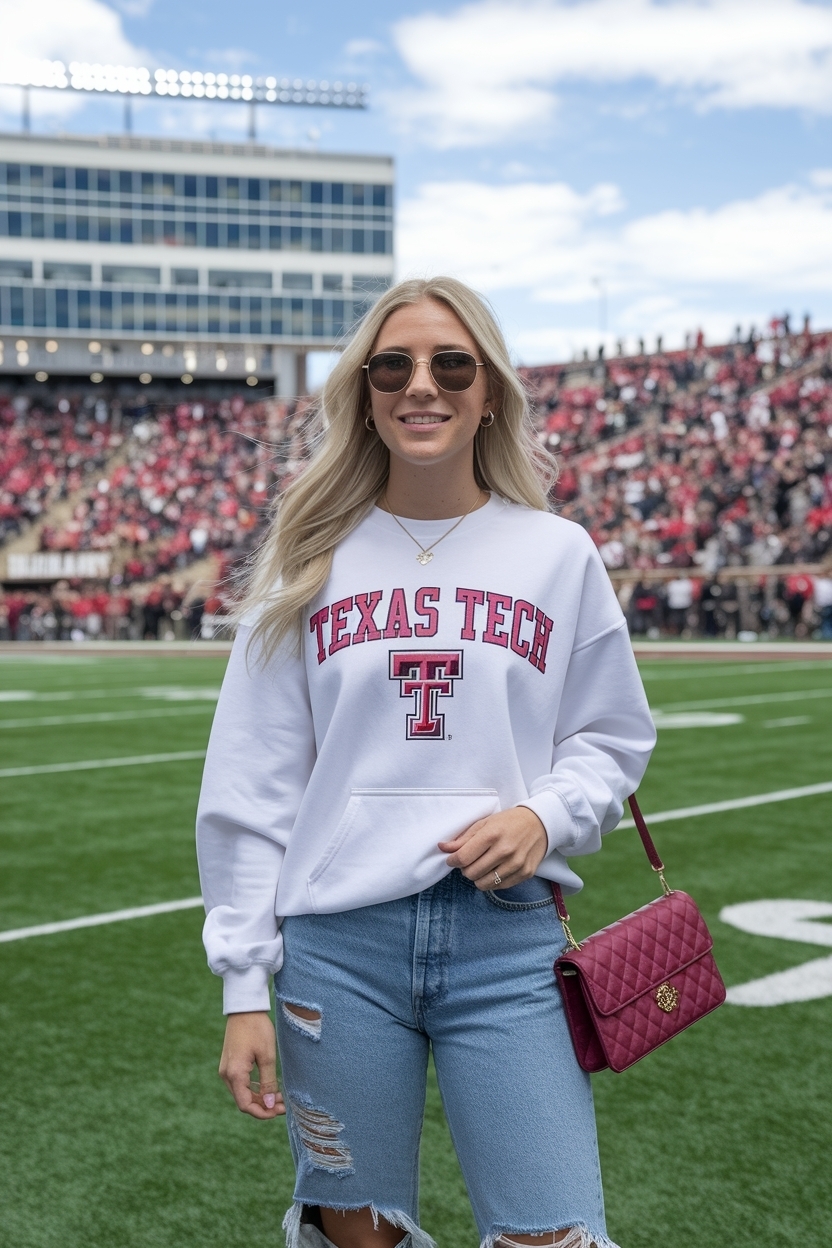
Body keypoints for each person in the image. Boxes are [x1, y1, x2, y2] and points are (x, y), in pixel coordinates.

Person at [196, 277, 656, 1248]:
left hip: (509, 944)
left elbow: (611, 738)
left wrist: (544, 816)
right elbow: (250, 786)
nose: (422, 386)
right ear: (363, 393)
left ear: (488, 390)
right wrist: (244, 986)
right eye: (392, 366)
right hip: (338, 949)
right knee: (355, 1235)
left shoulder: (557, 552)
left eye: (452, 364)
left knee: (553, 1235)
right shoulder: (307, 559)